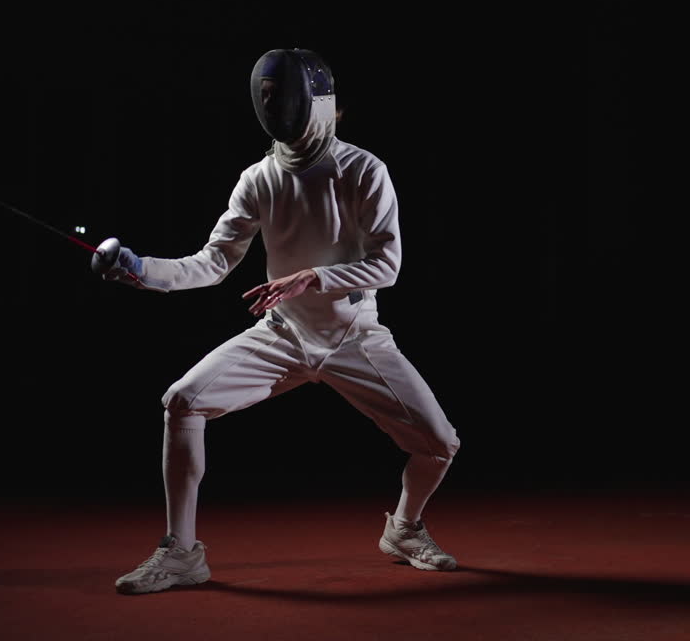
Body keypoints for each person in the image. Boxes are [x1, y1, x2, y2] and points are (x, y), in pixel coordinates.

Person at [107, 49, 461, 595]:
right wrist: (142, 270)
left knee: (440, 444)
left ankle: (404, 529)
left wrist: (312, 276)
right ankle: (181, 553)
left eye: (283, 95)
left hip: (353, 336)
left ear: (317, 102)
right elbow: (214, 262)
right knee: (182, 401)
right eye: (266, 95)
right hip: (283, 335)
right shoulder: (258, 178)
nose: (273, 105)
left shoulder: (363, 169)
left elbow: (387, 265)